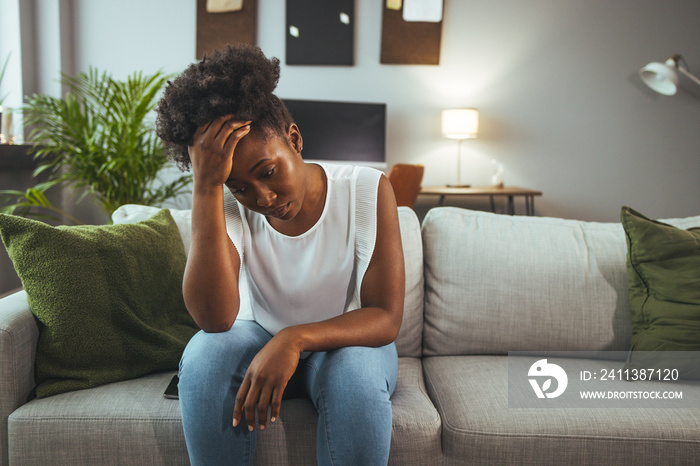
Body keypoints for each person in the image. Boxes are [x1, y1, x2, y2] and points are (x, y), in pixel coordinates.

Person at [155, 44, 405, 466]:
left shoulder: (367, 189)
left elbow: (385, 316)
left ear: (294, 138)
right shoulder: (226, 203)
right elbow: (214, 319)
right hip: (257, 338)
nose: (263, 198)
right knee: (203, 356)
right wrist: (206, 188)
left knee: (357, 378)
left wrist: (294, 338)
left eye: (268, 173)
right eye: (240, 186)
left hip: (348, 344)